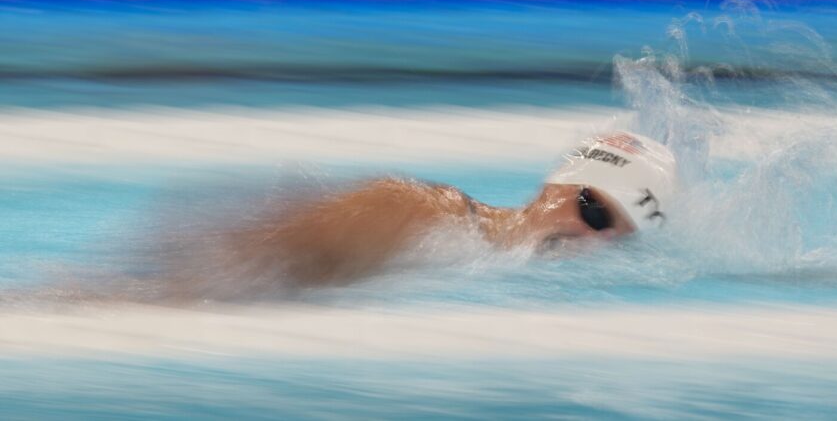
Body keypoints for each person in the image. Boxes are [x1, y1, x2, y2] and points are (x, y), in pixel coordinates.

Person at [227, 131, 677, 286]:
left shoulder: (489, 263)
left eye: (619, 238)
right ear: (553, 187)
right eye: (595, 212)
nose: (594, 240)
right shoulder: (420, 213)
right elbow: (246, 266)